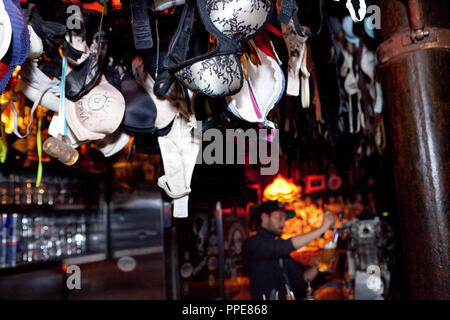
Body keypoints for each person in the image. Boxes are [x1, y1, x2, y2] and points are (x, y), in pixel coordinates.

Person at [243, 200, 335, 300]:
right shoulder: (252, 244)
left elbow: (302, 279)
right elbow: (283, 247)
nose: (284, 224)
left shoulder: (279, 246)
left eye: (284, 219)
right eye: (279, 218)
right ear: (265, 217)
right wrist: (322, 229)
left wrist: (318, 266)